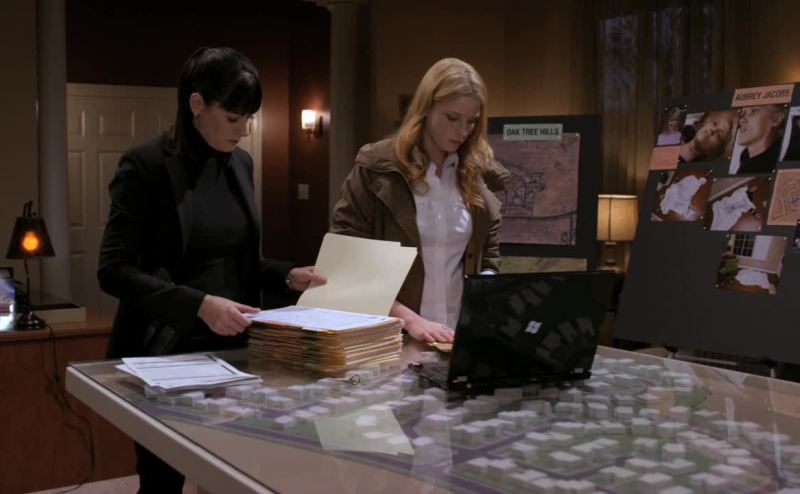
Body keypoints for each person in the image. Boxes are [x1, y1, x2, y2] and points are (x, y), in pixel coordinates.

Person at [97, 47, 325, 493]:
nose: (245, 130)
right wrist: (199, 305)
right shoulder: (145, 165)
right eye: (234, 118)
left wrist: (285, 275)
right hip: (163, 351)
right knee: (162, 483)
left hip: (234, 352)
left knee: (232, 477)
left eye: (249, 118)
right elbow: (112, 270)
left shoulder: (241, 163)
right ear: (197, 103)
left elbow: (238, 262)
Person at [330, 58, 505, 344]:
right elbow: (349, 263)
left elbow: (488, 254)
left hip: (456, 335)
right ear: (426, 108)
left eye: (472, 121)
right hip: (389, 335)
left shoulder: (478, 175)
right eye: (452, 118)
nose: (462, 131)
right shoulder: (376, 169)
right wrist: (410, 320)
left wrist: (485, 286)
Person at [735, 104, 787, 174]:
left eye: (753, 111)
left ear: (776, 119)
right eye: (743, 113)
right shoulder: (746, 165)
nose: (741, 120)